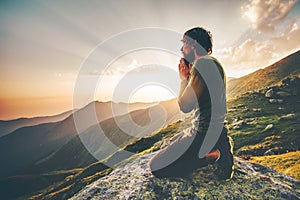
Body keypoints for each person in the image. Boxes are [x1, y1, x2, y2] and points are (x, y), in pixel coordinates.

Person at [149, 27, 234, 180]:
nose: (181, 49)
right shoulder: (212, 63)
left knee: (156, 166)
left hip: (203, 133)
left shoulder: (203, 64)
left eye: (184, 44)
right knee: (174, 140)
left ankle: (209, 155)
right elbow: (199, 99)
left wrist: (183, 78)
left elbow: (185, 105)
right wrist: (189, 77)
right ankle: (216, 147)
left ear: (194, 44)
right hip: (216, 131)